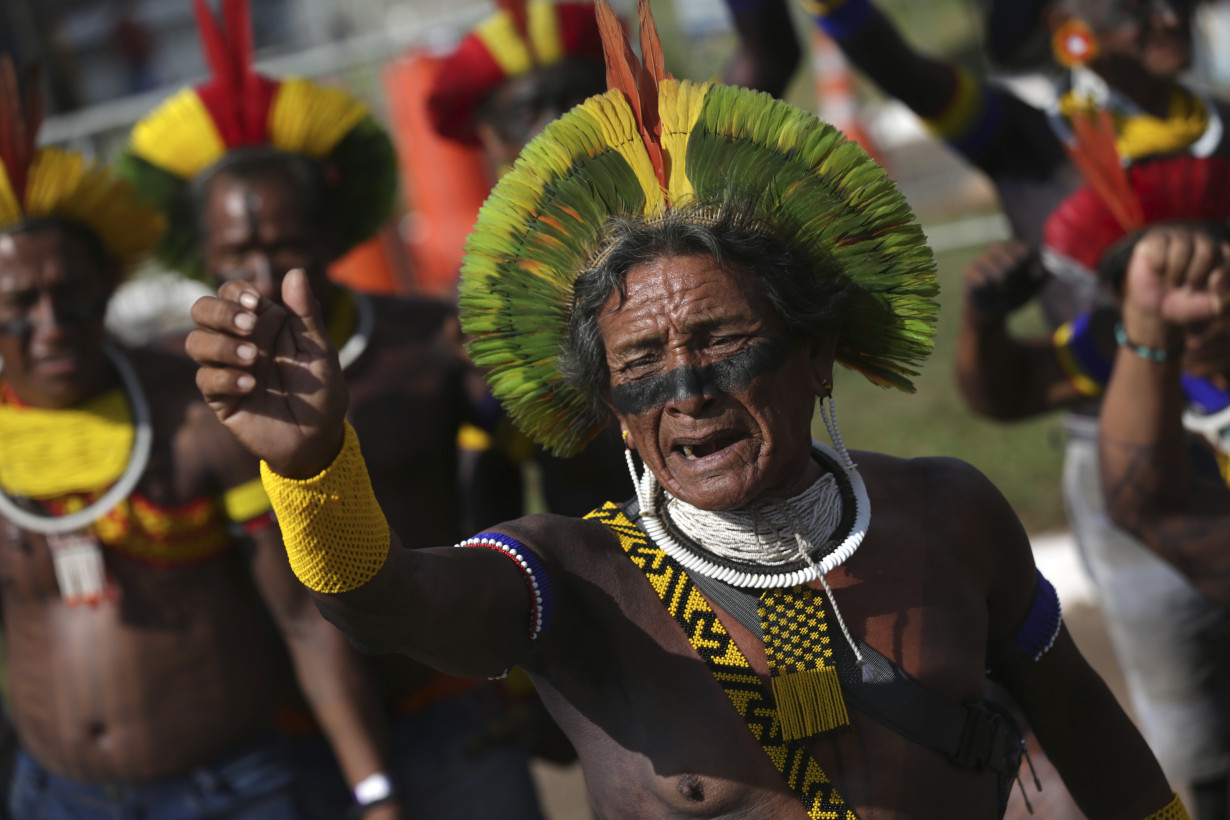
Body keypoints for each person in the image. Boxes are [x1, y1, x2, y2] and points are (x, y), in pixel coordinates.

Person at [186, 2, 1187, 816]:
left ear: (819, 353)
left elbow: (1097, 739)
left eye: (721, 343)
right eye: (644, 363)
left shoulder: (952, 515)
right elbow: (386, 602)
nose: (690, 393)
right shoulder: (573, 584)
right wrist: (316, 469)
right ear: (615, 410)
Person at [117, 2, 545, 817]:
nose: (263, 266)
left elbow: (514, 480)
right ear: (202, 252)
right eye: (238, 250)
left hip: (450, 702)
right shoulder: (179, 382)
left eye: (285, 240)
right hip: (289, 740)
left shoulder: (428, 339)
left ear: (331, 230)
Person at [812, 0, 1230, 803]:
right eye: (1128, 8)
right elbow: (899, 66)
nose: (1164, 19)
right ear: (1066, 22)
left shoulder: (1220, 129)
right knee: (1195, 741)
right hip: (1123, 459)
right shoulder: (1033, 146)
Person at [0, 59, 395, 820]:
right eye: (20, 302)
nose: (51, 325)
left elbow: (302, 623)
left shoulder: (194, 413)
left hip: (229, 794)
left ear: (106, 288)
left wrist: (375, 792)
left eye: (71, 296)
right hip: (54, 797)